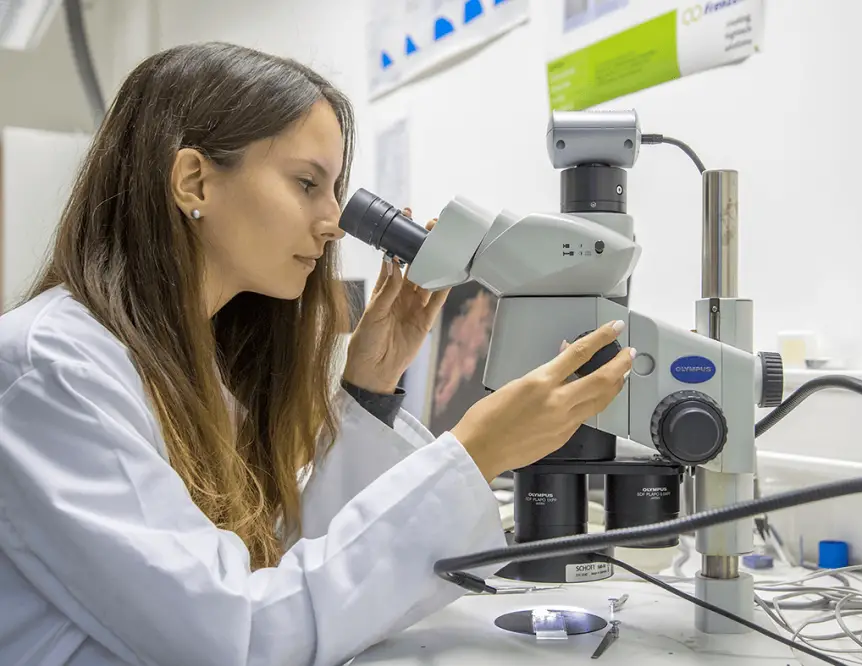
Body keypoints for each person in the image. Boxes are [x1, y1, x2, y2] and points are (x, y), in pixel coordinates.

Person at [0, 42, 635, 666]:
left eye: (334, 191)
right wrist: (475, 454)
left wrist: (369, 389)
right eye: (307, 183)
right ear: (194, 181)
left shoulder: (192, 365)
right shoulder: (53, 370)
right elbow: (237, 636)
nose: (333, 222)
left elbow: (272, 564)